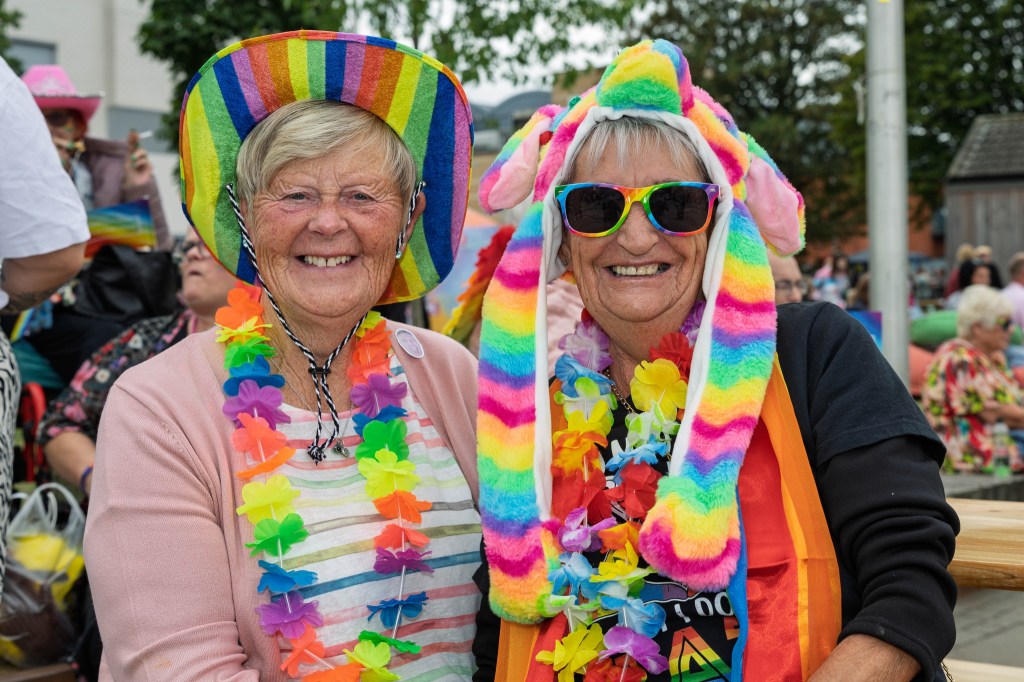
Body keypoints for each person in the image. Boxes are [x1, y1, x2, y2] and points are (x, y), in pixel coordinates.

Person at [473, 40, 956, 682]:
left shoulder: (814, 351)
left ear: (717, 223)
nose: (638, 236)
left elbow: (909, 591)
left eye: (675, 205)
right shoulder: (534, 421)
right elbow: (492, 643)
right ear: (561, 240)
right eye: (598, 206)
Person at [83, 31, 480, 680]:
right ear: (245, 216)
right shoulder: (157, 410)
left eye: (362, 195)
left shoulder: (449, 374)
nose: (328, 223)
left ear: (409, 219)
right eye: (294, 194)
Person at [38, 234, 237, 498]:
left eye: (208, 244)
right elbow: (61, 423)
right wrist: (100, 483)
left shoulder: (284, 346)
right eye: (187, 246)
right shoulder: (145, 340)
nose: (192, 254)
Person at [0, 55, 89, 600]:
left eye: (67, 120)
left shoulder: (95, 171)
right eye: (49, 117)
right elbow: (57, 255)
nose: (59, 129)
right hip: (37, 327)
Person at [21, 65, 171, 250]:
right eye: (32, 117)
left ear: (77, 127)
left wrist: (138, 189)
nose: (45, 129)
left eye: (57, 118)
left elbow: (157, 254)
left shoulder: (115, 170)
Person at [922, 285, 1024, 473]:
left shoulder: (988, 356)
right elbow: (999, 414)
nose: (1011, 329)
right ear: (977, 327)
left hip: (1001, 445)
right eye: (1004, 323)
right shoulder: (961, 358)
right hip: (972, 457)